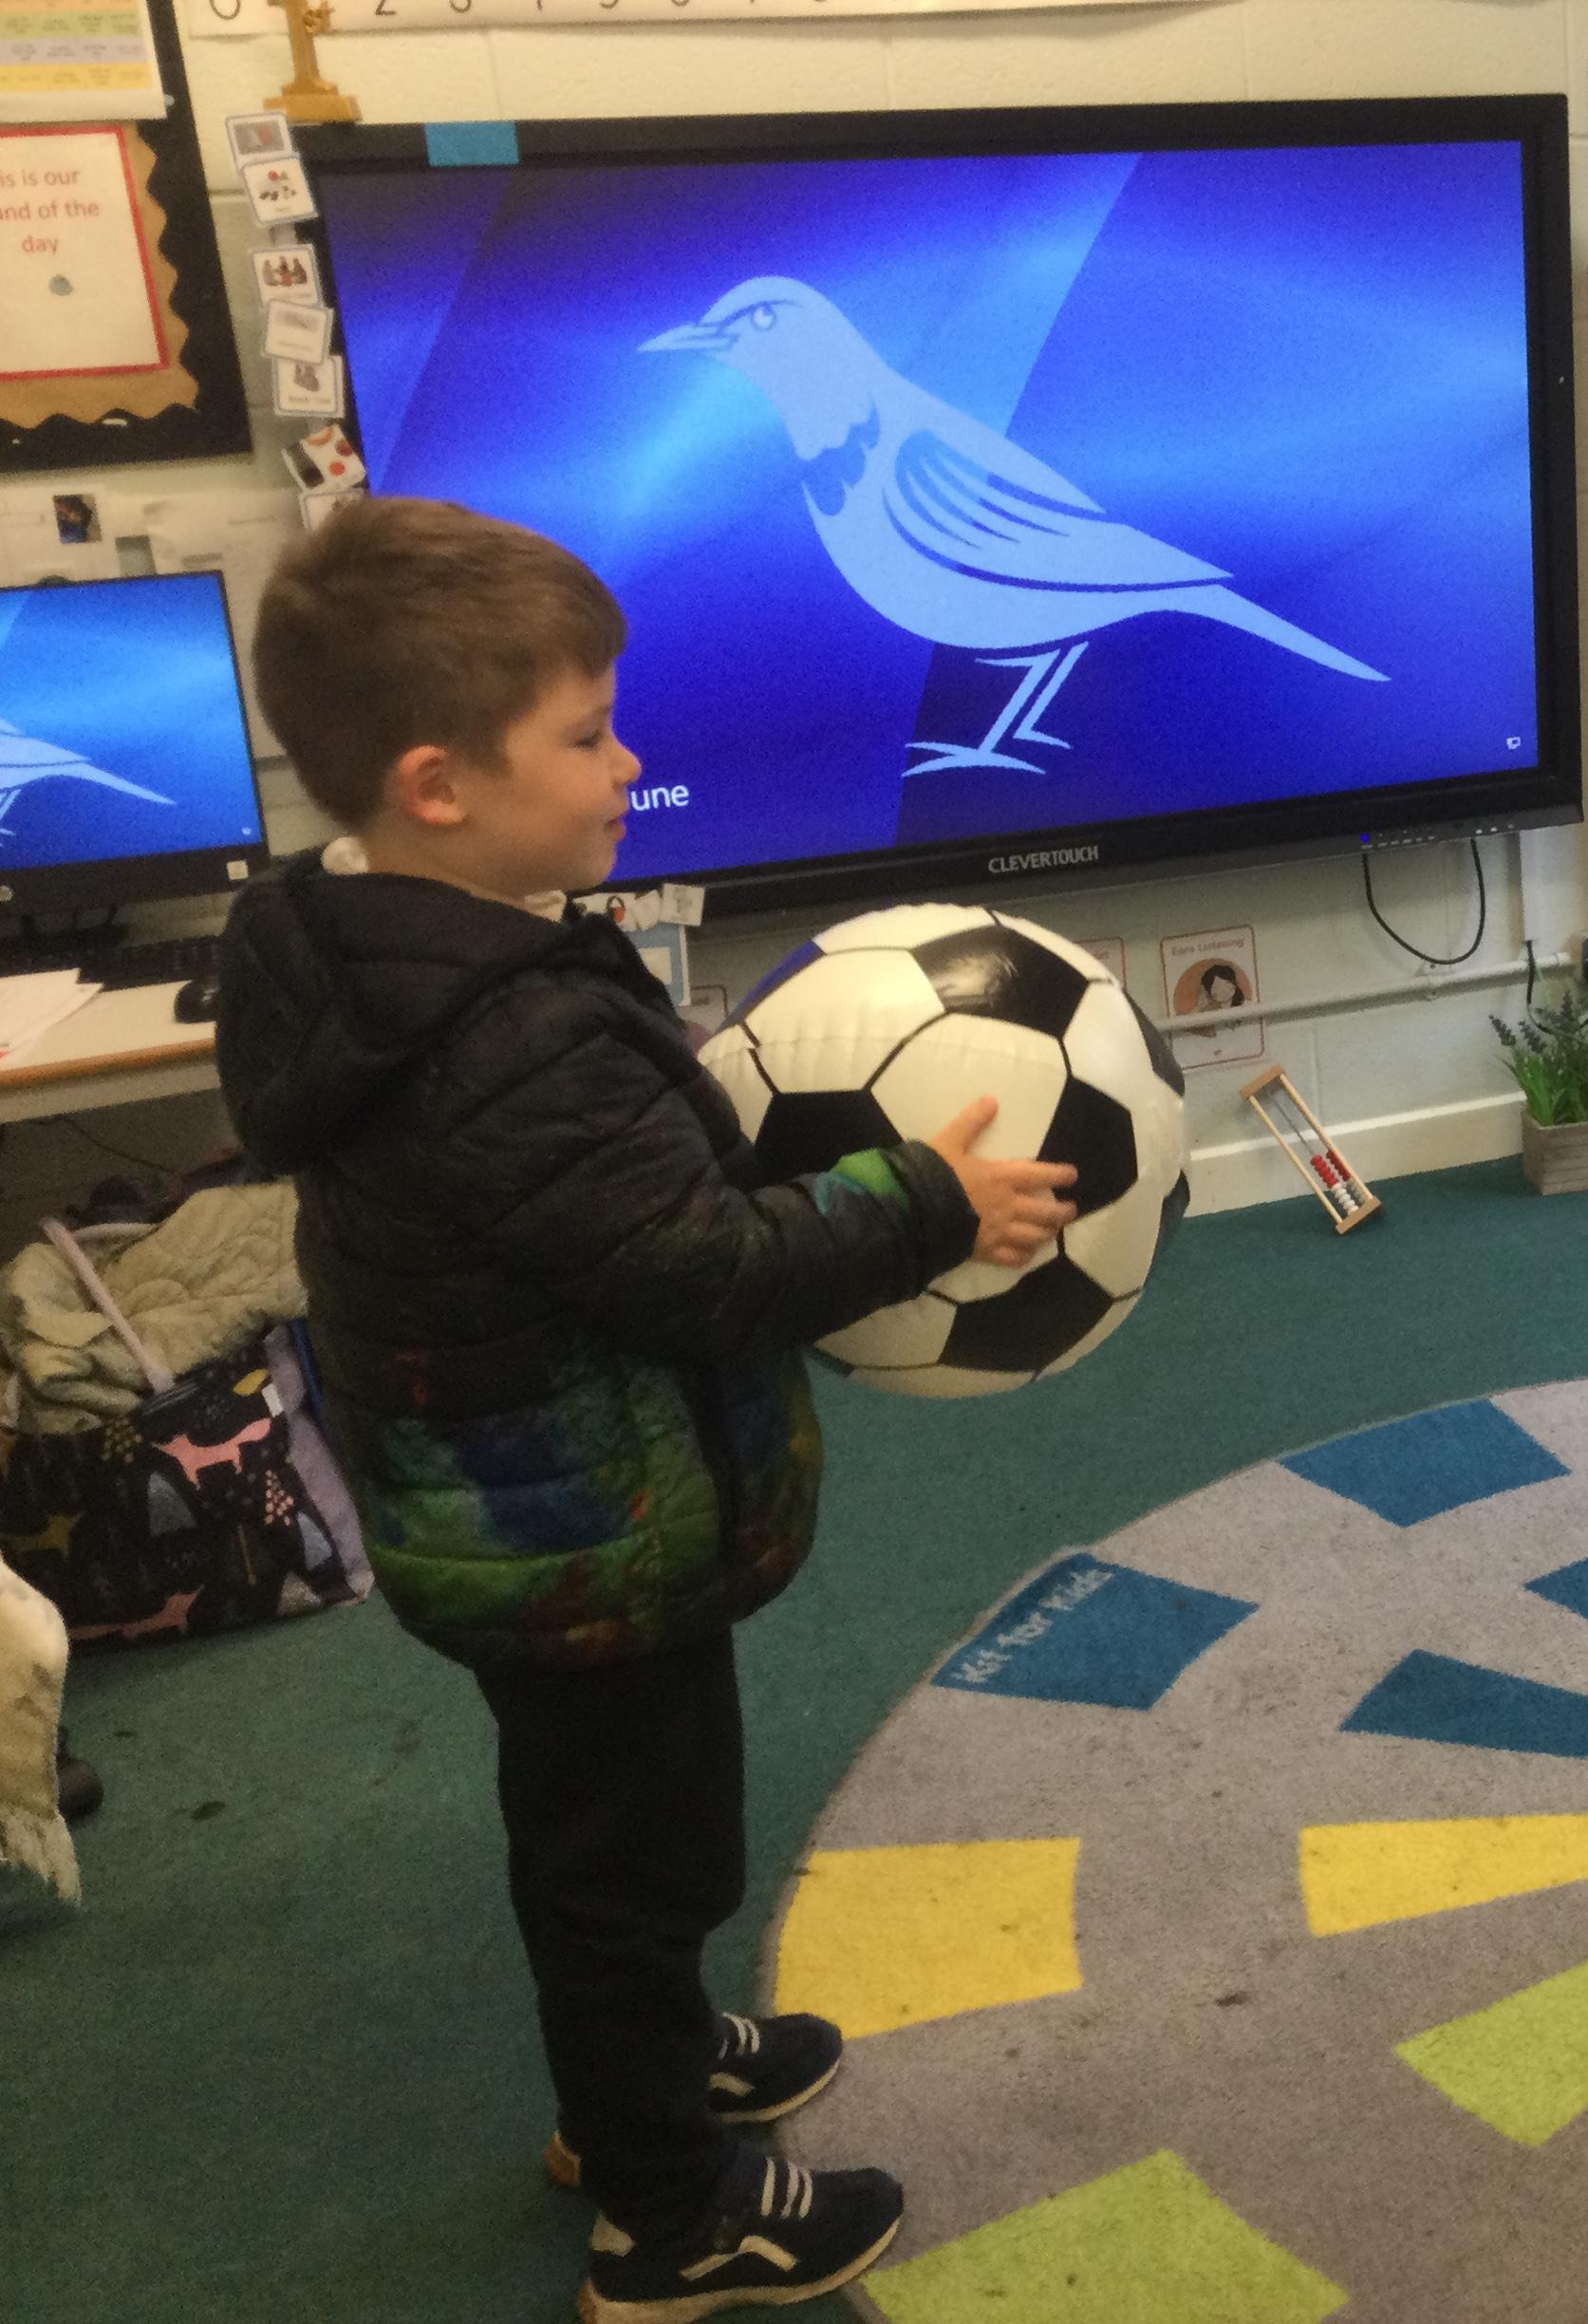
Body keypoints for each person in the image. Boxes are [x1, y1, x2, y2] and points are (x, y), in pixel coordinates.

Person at [214, 497, 1075, 2319]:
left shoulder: (380, 948)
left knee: (605, 1842)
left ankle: (647, 2074)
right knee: (633, 1866)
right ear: (439, 785)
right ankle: (668, 2217)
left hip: (532, 1511)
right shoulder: (501, 1038)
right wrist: (929, 1199)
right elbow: (707, 1271)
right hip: (583, 1541)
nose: (627, 762)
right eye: (588, 733)